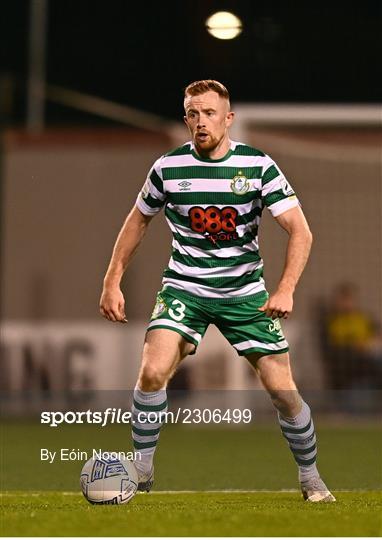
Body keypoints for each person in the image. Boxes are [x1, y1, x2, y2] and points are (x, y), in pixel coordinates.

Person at [100, 80, 335, 502]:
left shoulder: (258, 166)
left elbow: (300, 231)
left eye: (209, 113)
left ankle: (311, 478)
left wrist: (285, 290)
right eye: (193, 113)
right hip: (184, 288)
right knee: (152, 371)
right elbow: (138, 221)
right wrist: (111, 279)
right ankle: (141, 472)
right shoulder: (167, 168)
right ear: (185, 118)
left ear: (228, 119)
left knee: (283, 392)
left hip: (245, 293)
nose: (200, 121)